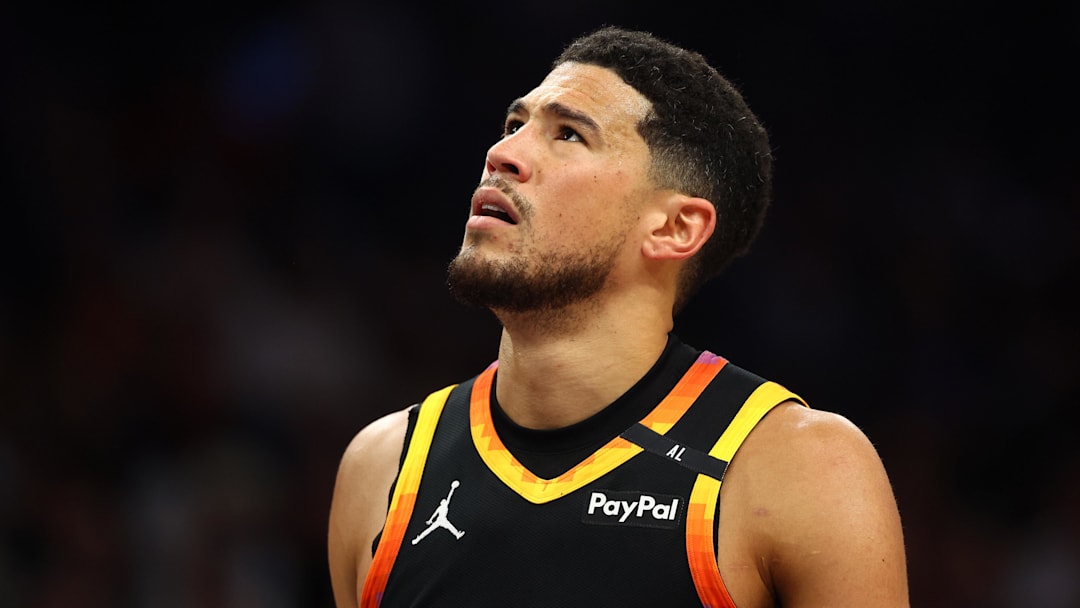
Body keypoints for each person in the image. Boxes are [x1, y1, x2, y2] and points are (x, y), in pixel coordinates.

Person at [328, 26, 909, 607]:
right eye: (514, 125)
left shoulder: (797, 467)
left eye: (569, 135)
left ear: (673, 228)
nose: (502, 155)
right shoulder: (381, 467)